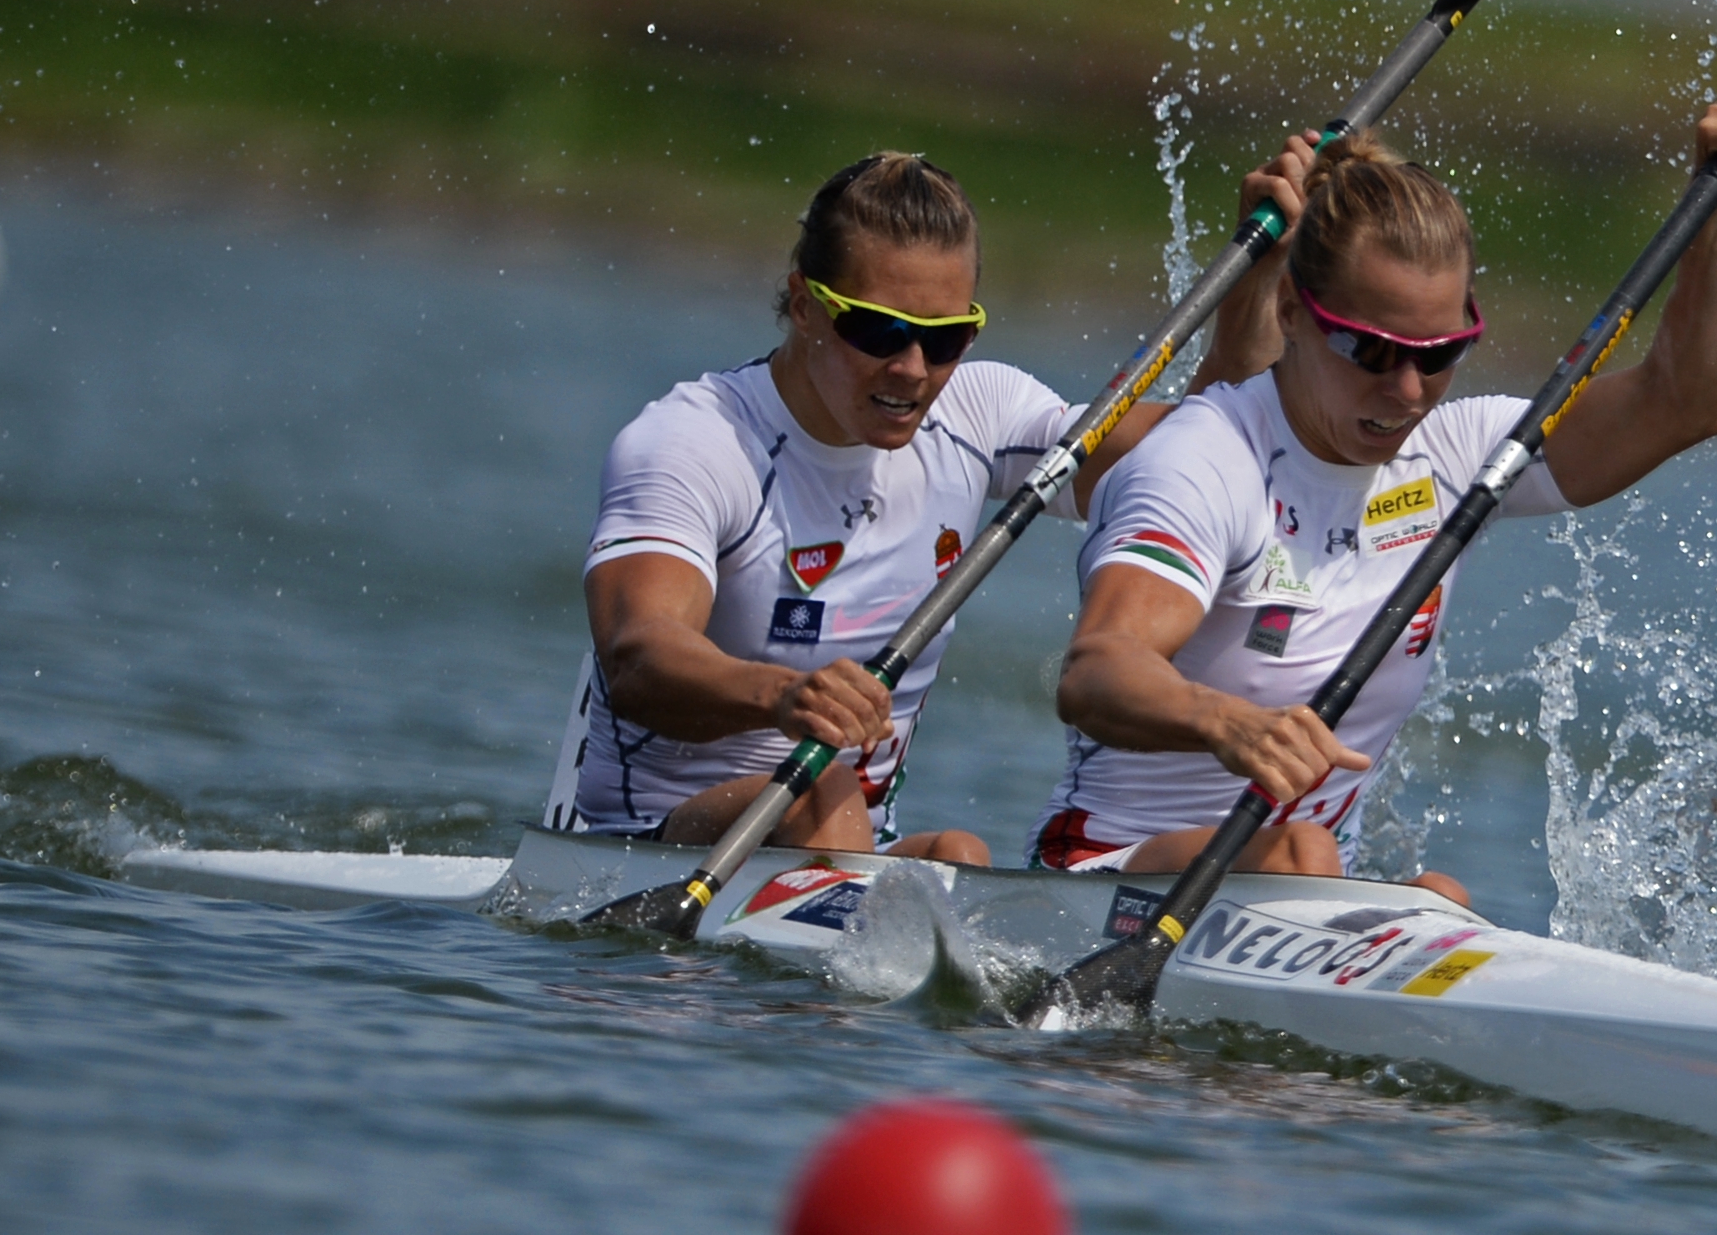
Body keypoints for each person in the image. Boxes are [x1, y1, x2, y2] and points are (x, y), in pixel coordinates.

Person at [1030, 83, 1717, 900]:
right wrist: (1228, 725)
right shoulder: (1204, 460)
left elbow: (1685, 404)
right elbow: (1097, 671)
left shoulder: (1453, 454)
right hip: (1103, 870)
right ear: (1291, 308)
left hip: (1296, 877)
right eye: (1370, 350)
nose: (1405, 391)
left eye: (1438, 354)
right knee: (1305, 855)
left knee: (1439, 895)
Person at [542, 148, 1300, 864]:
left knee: (957, 854)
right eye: (878, 331)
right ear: (804, 305)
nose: (912, 370)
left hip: (837, 849)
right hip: (639, 843)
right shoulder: (695, 442)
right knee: (823, 788)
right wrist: (783, 697)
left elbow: (1204, 456)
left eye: (945, 339)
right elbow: (639, 656)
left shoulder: (976, 414)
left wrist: (1260, 279)